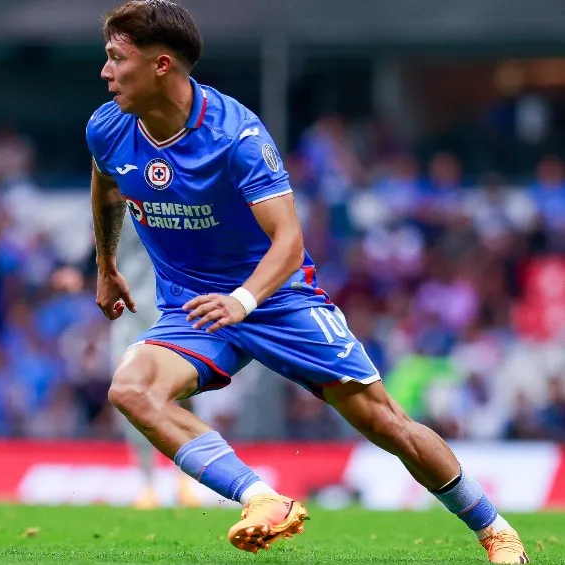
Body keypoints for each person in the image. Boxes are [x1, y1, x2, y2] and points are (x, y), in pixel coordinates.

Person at [85, 1, 528, 562]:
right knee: (130, 389)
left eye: (116, 58)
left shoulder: (236, 137)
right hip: (193, 307)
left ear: (162, 64)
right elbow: (107, 186)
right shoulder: (108, 127)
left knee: (385, 423)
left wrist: (243, 300)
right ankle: (261, 498)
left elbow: (289, 242)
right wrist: (106, 266)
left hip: (276, 299)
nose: (105, 71)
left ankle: (496, 531)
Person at [110, 219, 198, 509]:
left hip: (170, 311)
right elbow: (99, 252)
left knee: (181, 394)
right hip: (128, 316)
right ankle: (147, 483)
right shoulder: (113, 207)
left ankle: (185, 478)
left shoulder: (174, 203)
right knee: (129, 395)